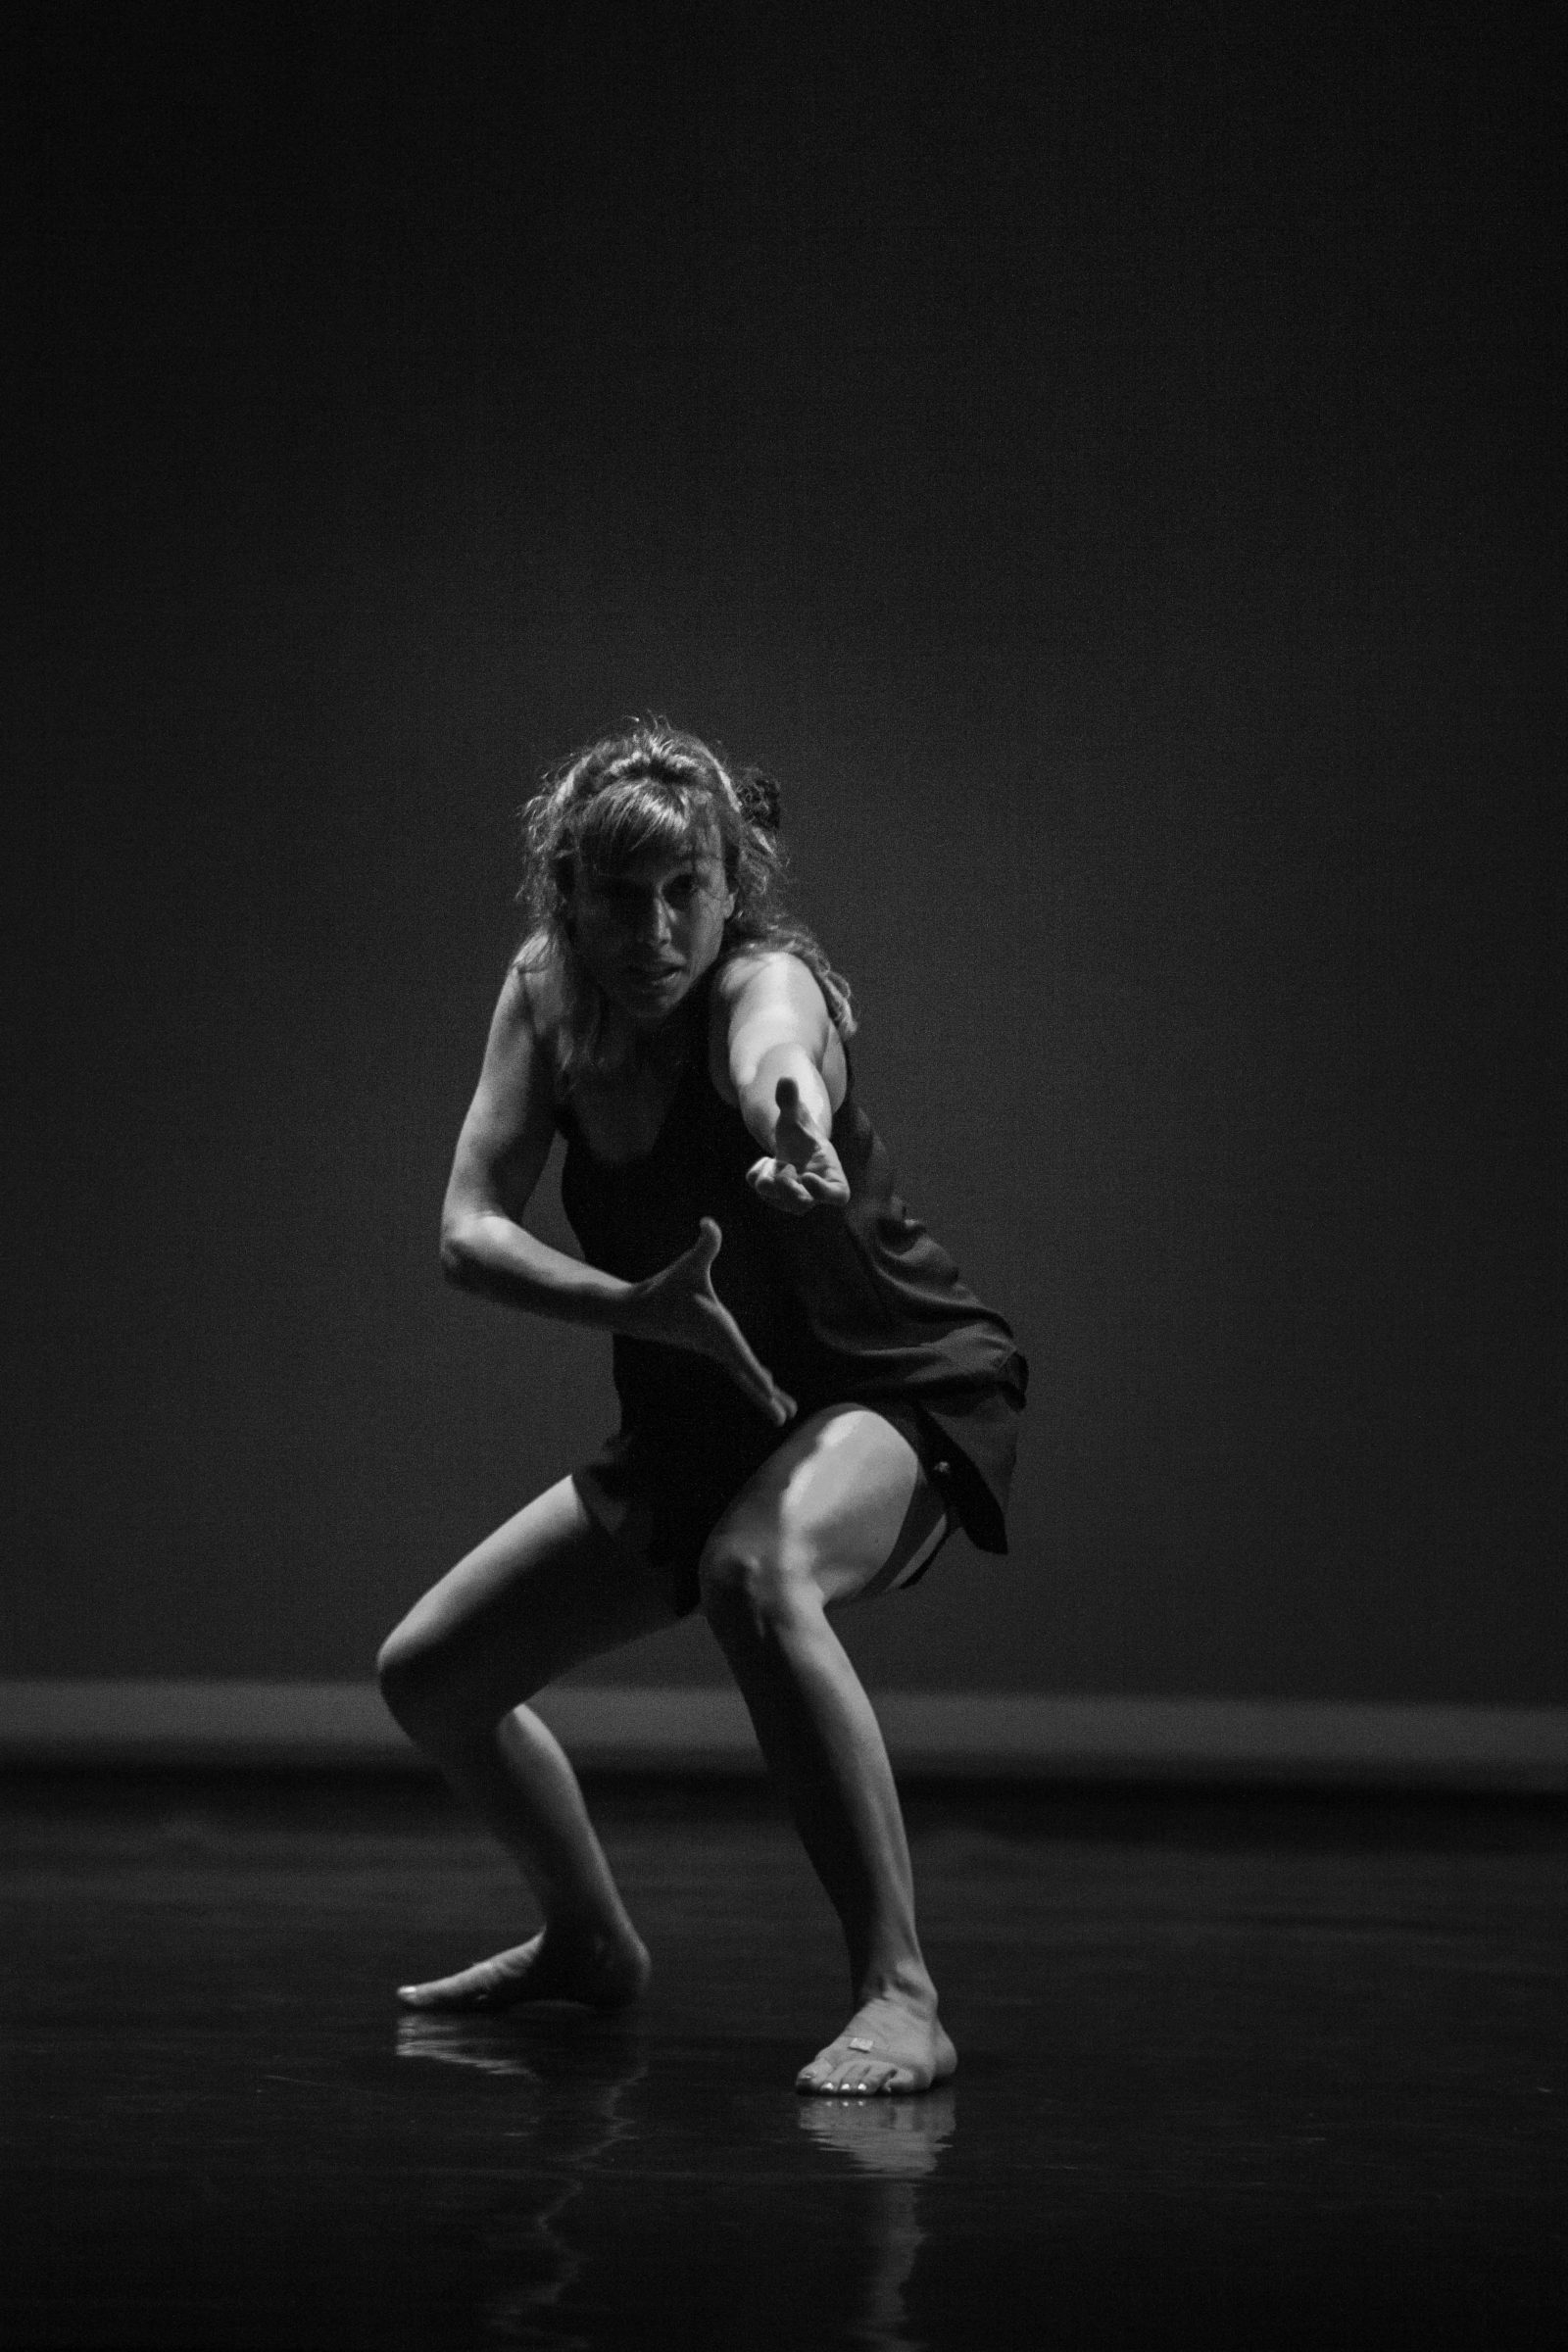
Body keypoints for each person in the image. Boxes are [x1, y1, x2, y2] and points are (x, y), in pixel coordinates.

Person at [376, 722, 1026, 2095]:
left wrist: (793, 1122)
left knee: (755, 1572)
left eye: (689, 891)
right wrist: (637, 1307)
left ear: (736, 886)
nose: (657, 930)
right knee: (431, 1678)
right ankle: (588, 1942)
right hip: (702, 1420)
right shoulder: (547, 997)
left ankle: (903, 1995)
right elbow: (468, 1231)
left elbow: (774, 1052)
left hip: (886, 1385)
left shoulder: (766, 983)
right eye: (622, 896)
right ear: (569, 895)